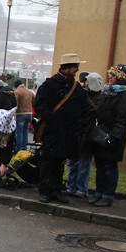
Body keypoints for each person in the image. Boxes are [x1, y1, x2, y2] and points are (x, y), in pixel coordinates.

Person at [33, 53, 90, 204]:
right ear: (67, 68)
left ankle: (56, 190)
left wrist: (78, 124)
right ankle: (45, 191)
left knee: (60, 162)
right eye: (75, 67)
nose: (77, 70)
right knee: (48, 161)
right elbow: (39, 106)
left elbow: (84, 107)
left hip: (68, 132)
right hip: (53, 130)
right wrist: (53, 119)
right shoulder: (49, 85)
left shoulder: (76, 87)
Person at [83, 64, 126, 207]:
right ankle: (99, 193)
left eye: (113, 75)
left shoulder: (125, 95)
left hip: (112, 137)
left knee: (109, 166)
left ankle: (107, 195)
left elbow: (122, 118)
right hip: (102, 134)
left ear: (120, 77)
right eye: (110, 75)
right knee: (101, 165)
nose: (110, 77)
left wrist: (114, 136)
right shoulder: (109, 92)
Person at [66, 72, 102, 198]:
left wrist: (84, 97)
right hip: (77, 133)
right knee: (72, 163)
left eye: (87, 81)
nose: (84, 83)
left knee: (83, 164)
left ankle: (81, 188)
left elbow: (95, 111)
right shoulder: (83, 95)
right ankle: (70, 187)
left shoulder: (99, 97)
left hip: (87, 135)